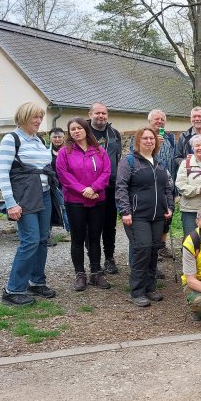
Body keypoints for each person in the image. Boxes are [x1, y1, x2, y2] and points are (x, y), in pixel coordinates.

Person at [0, 102, 58, 306]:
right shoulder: (11, 139)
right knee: (30, 240)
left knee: (42, 239)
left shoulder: (38, 139)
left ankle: (36, 282)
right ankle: (12, 289)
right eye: (35, 117)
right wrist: (11, 203)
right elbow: (3, 173)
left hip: (44, 194)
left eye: (41, 117)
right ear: (23, 117)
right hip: (24, 197)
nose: (39, 121)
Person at [115, 127, 174, 307]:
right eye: (145, 138)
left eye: (152, 139)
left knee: (154, 249)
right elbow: (121, 187)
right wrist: (125, 211)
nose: (149, 141)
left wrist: (169, 206)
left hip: (157, 216)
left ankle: (151, 287)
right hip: (137, 215)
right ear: (138, 141)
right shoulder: (129, 161)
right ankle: (137, 291)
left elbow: (168, 187)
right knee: (142, 249)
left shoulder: (159, 163)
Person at [55, 117, 112, 291]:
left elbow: (106, 171)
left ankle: (96, 272)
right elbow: (63, 175)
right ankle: (80, 274)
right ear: (69, 132)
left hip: (97, 199)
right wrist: (83, 190)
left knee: (95, 237)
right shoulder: (65, 152)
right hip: (75, 201)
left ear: (86, 129)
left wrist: (94, 188)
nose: (76, 131)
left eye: (79, 128)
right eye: (72, 129)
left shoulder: (99, 150)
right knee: (78, 238)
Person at [87, 102, 122, 275]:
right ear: (90, 114)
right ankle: (94, 261)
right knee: (92, 226)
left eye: (104, 113)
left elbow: (118, 157)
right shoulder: (83, 132)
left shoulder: (114, 134)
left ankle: (109, 258)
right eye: (97, 113)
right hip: (89, 188)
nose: (101, 116)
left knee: (109, 225)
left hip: (110, 186)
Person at [143, 109, 176, 258]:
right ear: (149, 121)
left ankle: (162, 246)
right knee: (153, 217)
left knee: (168, 216)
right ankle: (152, 248)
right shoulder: (144, 137)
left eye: (162, 119)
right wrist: (154, 144)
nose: (159, 122)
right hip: (151, 185)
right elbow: (138, 156)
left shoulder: (169, 138)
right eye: (156, 119)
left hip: (168, 184)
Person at [175, 133, 201, 236]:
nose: (200, 148)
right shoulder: (185, 163)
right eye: (197, 145)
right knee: (191, 239)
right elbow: (181, 186)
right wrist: (200, 190)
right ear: (192, 148)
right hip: (190, 210)